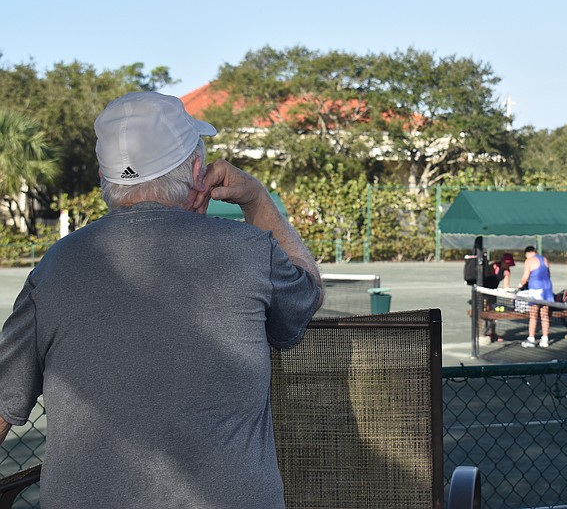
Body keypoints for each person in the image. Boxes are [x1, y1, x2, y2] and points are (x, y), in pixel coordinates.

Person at [0, 91, 324, 508]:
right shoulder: (249, 252)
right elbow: (308, 291)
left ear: (104, 176)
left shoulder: (54, 267)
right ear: (196, 170)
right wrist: (256, 198)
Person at [518, 246, 553, 348]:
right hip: (547, 289)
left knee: (533, 315)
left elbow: (525, 277)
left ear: (527, 253)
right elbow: (548, 275)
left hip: (536, 290)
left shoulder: (529, 261)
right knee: (544, 315)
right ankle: (545, 339)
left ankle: (531, 339)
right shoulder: (545, 259)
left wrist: (519, 286)